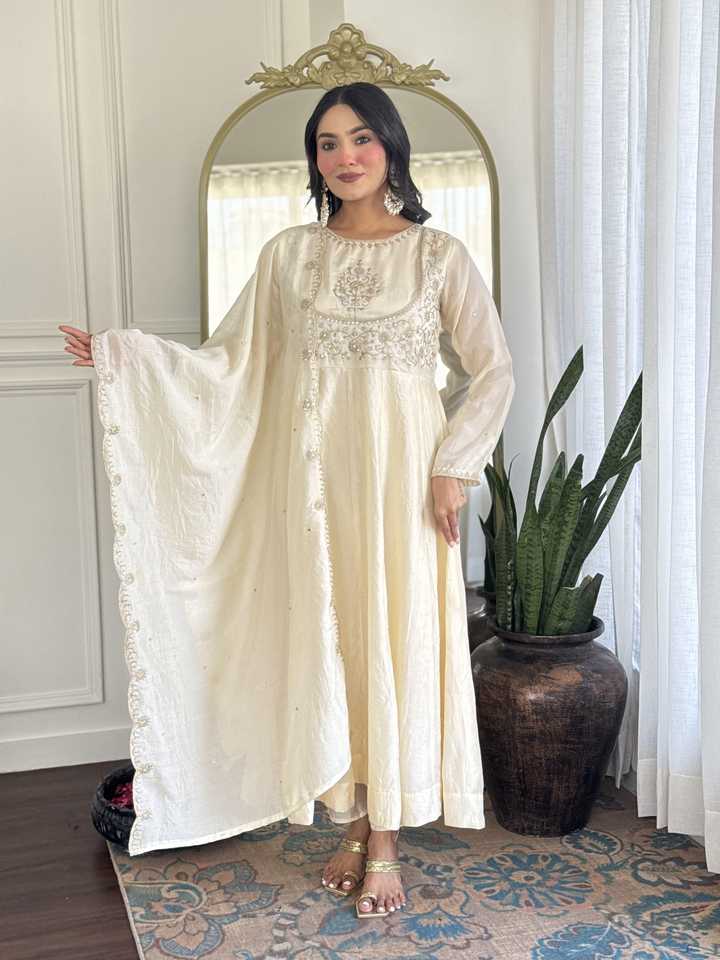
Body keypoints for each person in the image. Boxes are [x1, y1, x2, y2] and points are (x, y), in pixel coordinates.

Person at [59, 81, 515, 920]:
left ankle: (385, 837)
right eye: (327, 143)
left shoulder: (439, 256)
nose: (345, 156)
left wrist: (454, 466)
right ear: (314, 159)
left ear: (391, 147)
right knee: (336, 640)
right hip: (313, 487)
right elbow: (230, 361)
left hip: (404, 486)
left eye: (361, 138)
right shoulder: (288, 256)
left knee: (394, 637)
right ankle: (352, 819)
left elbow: (492, 370)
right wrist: (128, 358)